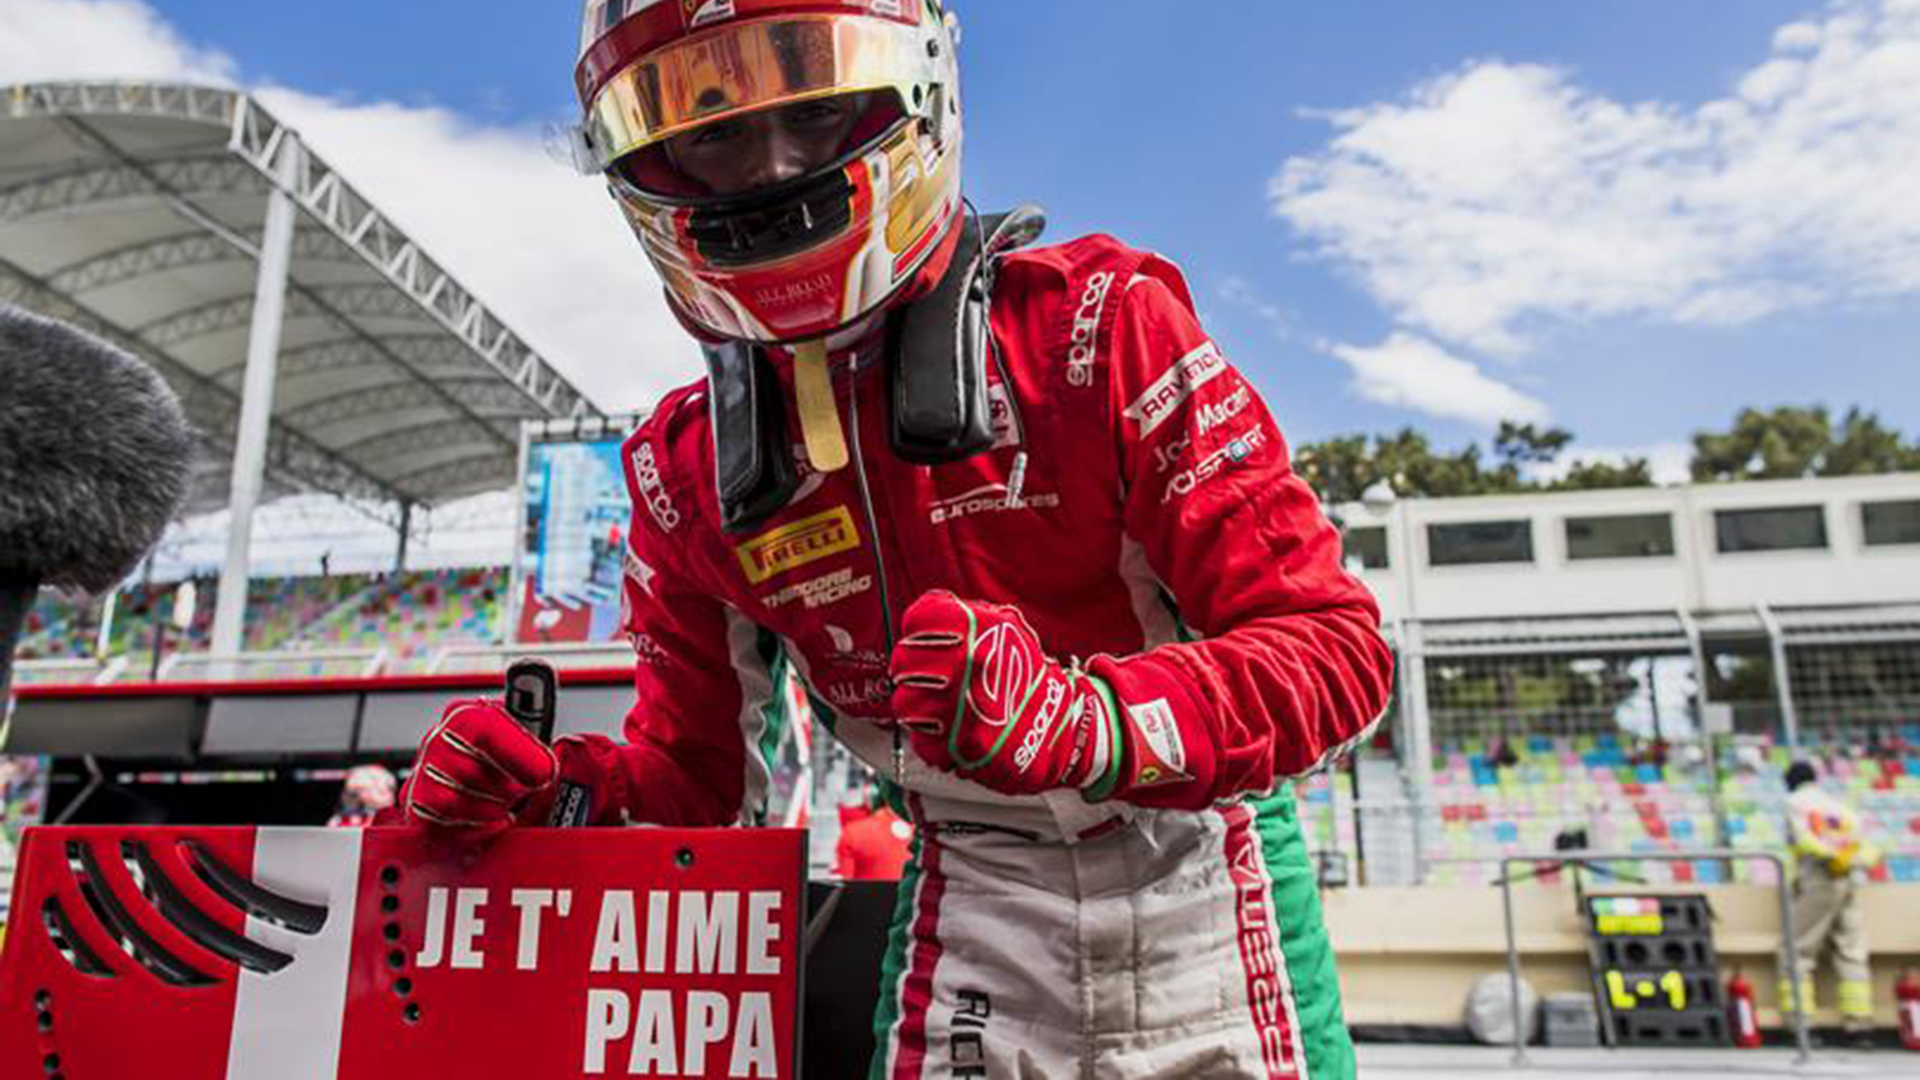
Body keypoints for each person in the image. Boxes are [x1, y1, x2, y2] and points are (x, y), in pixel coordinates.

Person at [399, 2, 1393, 1075]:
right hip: (971, 906)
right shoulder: (679, 475)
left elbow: (1337, 652)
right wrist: (557, 799)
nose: (772, 167)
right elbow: (698, 793)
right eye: (713, 129)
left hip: (1207, 873)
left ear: (919, 90)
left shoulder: (1101, 329)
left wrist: (1087, 719)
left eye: (815, 106)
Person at [1782, 759, 1881, 1043]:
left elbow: (1804, 840)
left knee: (1796, 950)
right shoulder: (1839, 805)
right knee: (1851, 950)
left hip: (1819, 878)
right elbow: (1867, 846)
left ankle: (1802, 1025)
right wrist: (1851, 862)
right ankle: (1860, 1026)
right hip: (1849, 880)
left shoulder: (1795, 803)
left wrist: (1832, 858)